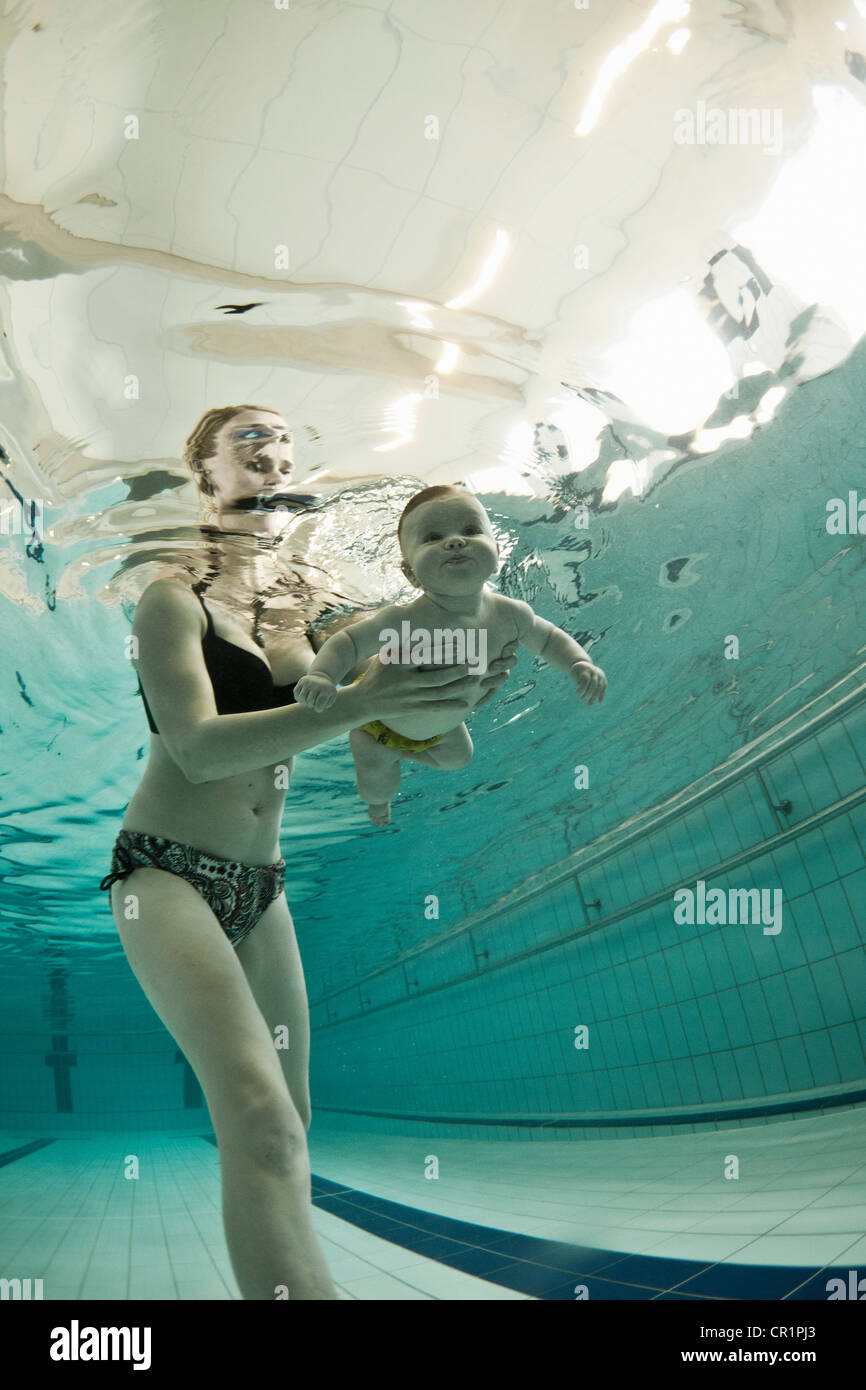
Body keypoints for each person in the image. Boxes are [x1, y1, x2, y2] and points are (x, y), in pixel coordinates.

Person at [99, 406, 517, 1301]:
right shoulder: (171, 595)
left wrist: (446, 697)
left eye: (284, 438)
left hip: (263, 886)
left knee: (295, 1123)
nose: (272, 447)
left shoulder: (295, 608)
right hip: (164, 874)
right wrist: (351, 703)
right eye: (247, 434)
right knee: (261, 1123)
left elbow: (427, 745)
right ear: (203, 468)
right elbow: (201, 748)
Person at [295, 484, 607, 823]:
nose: (455, 541)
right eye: (432, 538)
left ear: (497, 551)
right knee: (377, 788)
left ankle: (401, 753)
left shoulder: (511, 615)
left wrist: (579, 662)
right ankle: (379, 797)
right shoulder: (405, 620)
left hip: (445, 728)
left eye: (471, 531)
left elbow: (549, 640)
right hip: (378, 727)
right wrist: (322, 675)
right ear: (410, 573)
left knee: (460, 758)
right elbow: (349, 642)